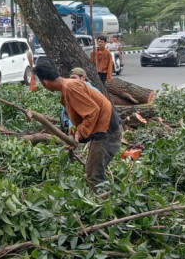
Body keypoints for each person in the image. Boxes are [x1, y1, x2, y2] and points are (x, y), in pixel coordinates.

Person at [34, 58, 122, 189]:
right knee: (93, 169)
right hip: (103, 130)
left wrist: (80, 133)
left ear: (45, 82)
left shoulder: (70, 87)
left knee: (93, 174)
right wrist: (74, 135)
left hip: (108, 131)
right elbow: (77, 116)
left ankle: (103, 205)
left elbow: (92, 112)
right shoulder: (67, 87)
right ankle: (104, 197)